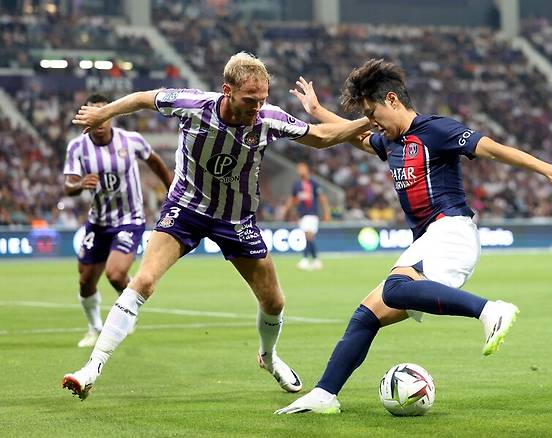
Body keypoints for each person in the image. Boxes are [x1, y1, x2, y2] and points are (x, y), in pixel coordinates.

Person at [62, 52, 371, 400]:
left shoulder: (268, 119)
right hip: (186, 208)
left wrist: (366, 120)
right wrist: (105, 111)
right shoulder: (192, 104)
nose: (257, 107)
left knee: (274, 303)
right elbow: (142, 98)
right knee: (144, 280)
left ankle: (268, 357)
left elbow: (320, 137)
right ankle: (92, 368)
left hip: (236, 220)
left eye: (263, 99)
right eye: (249, 100)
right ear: (227, 90)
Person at [276, 60, 552, 414]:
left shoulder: (436, 130)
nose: (372, 123)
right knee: (366, 314)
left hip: (452, 231)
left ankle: (490, 310)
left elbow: (493, 148)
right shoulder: (391, 141)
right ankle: (324, 395)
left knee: (393, 289)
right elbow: (353, 135)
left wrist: (548, 169)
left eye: (373, 113)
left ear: (392, 100)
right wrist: (317, 111)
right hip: (429, 240)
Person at [63, 94, 172, 348]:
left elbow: (153, 160)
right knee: (85, 280)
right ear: (87, 119)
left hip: (129, 219)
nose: (101, 120)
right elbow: (68, 186)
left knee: (115, 273)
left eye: (105, 113)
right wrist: (79, 185)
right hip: (98, 222)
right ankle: (94, 328)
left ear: (111, 115)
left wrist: (170, 186)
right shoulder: (77, 147)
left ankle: (128, 310)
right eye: (95, 114)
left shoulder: (130, 140)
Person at [283, 162, 331, 271]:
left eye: (302, 168)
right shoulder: (296, 185)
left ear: (307, 170)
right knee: (308, 236)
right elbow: (293, 200)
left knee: (308, 235)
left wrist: (327, 213)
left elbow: (322, 198)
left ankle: (305, 259)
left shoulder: (313, 183)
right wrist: (287, 211)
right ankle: (316, 259)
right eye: (299, 169)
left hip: (312, 214)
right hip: (302, 215)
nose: (300, 171)